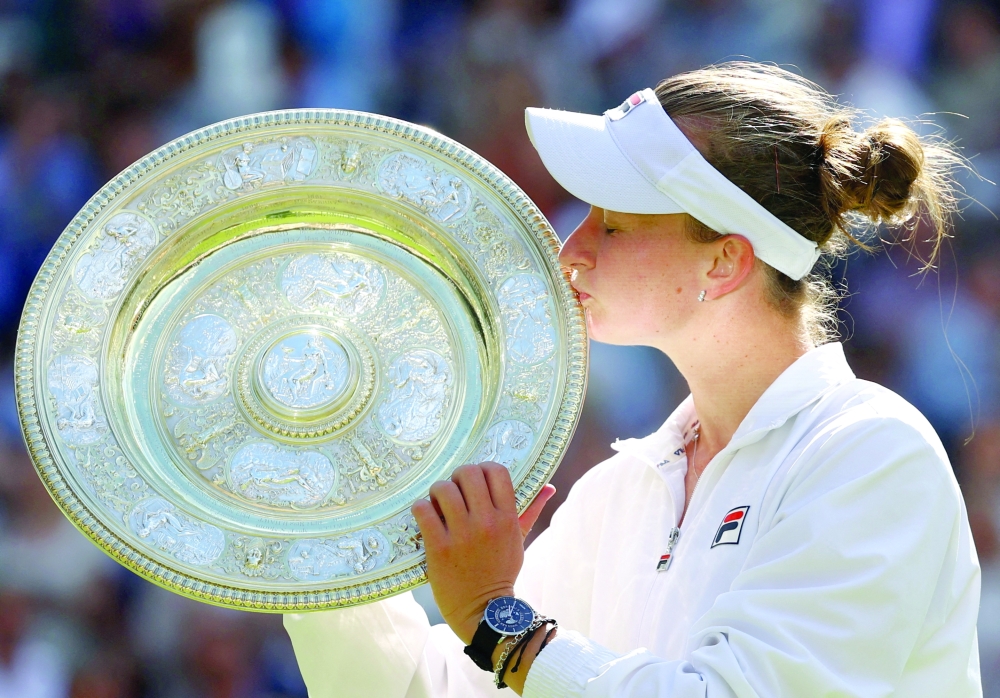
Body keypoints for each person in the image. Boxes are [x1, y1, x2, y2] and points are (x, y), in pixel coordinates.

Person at [283, 62, 982, 697]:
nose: (572, 249)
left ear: (723, 264)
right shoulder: (622, 489)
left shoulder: (871, 454)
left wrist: (498, 622)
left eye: (614, 224)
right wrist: (321, 527)